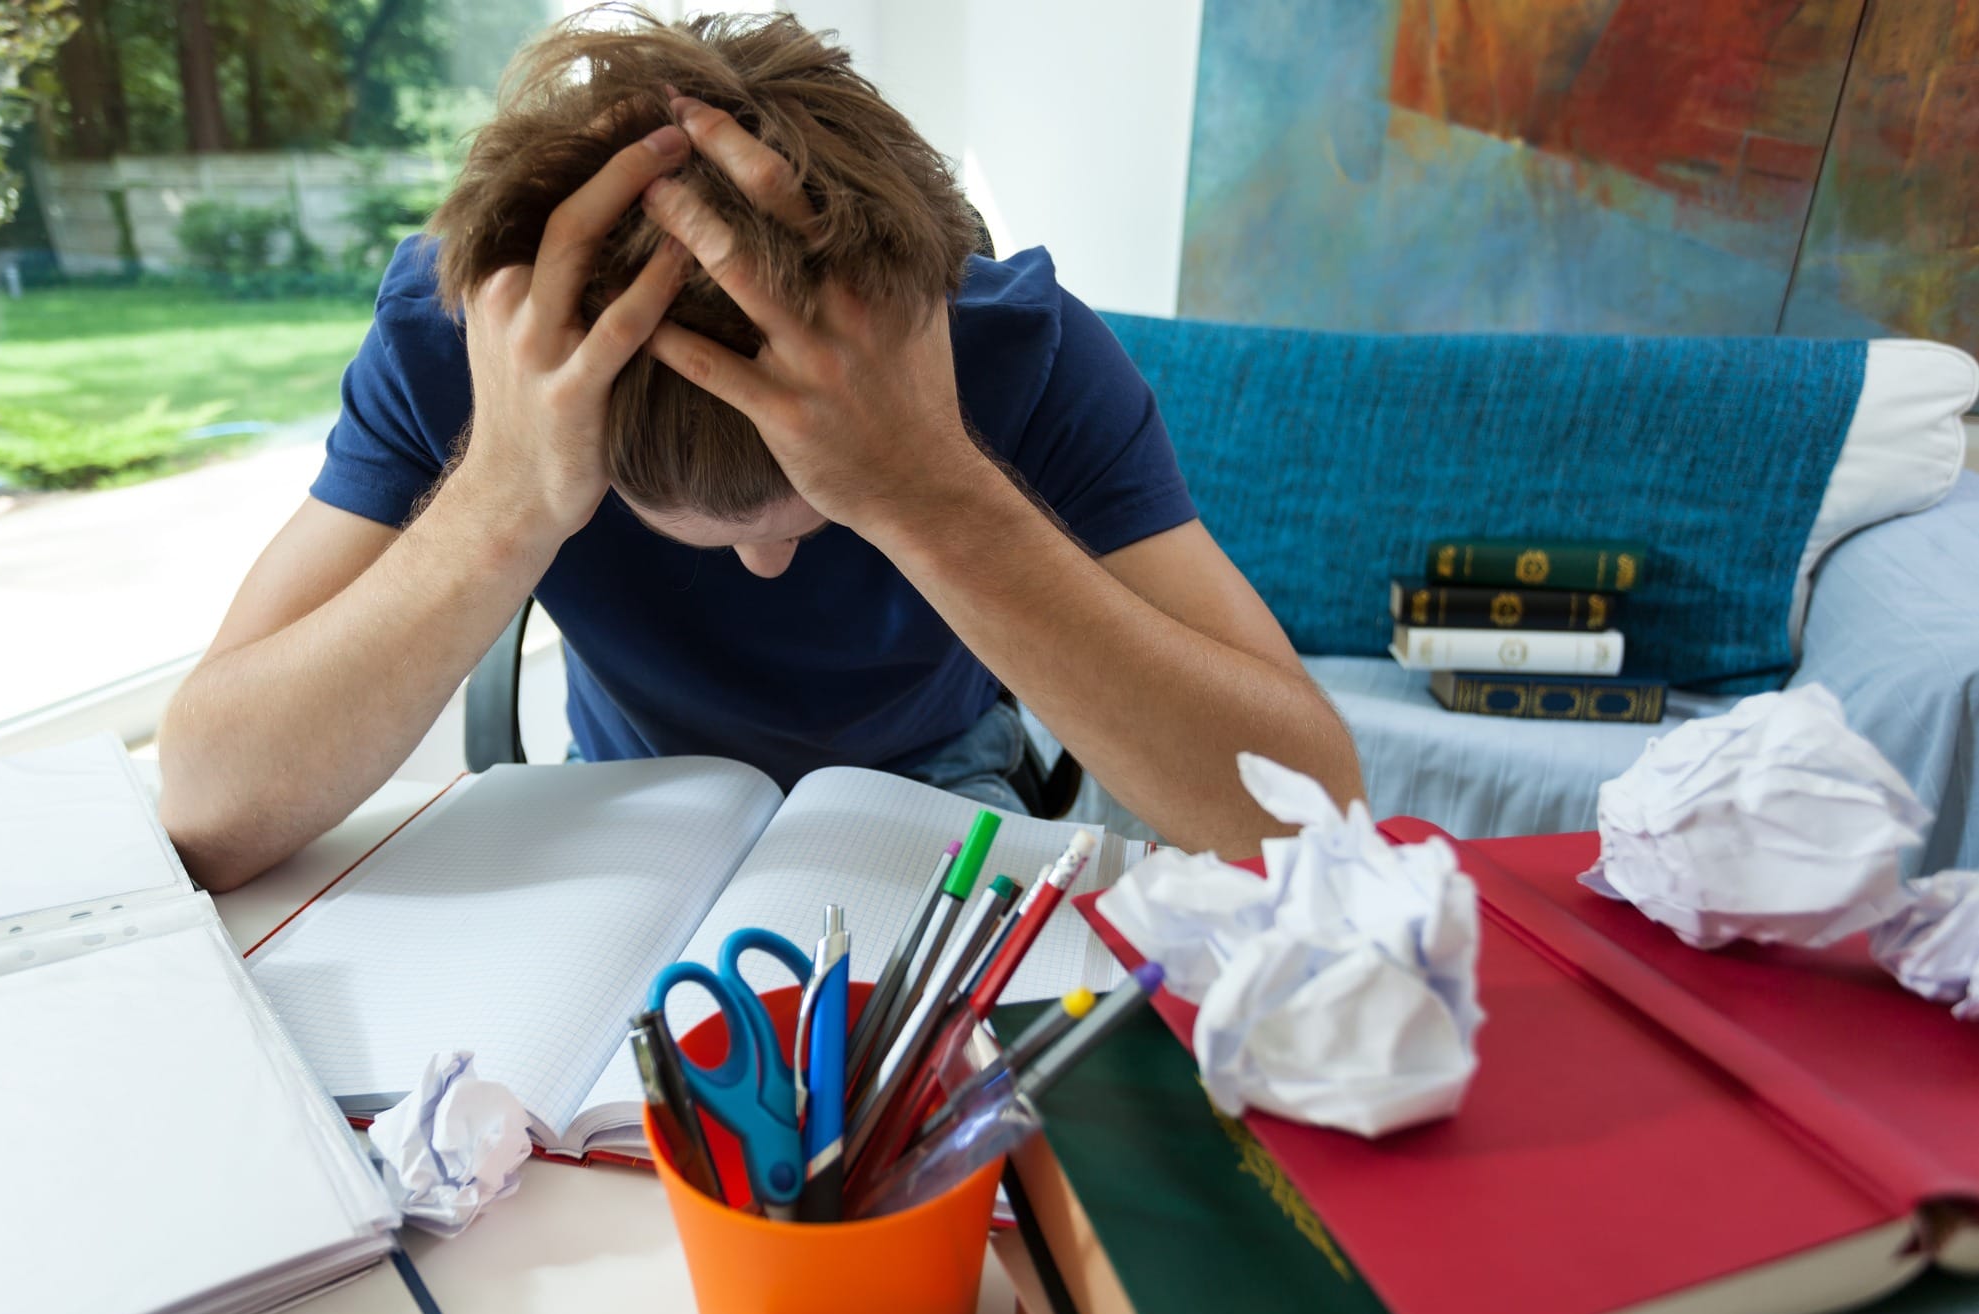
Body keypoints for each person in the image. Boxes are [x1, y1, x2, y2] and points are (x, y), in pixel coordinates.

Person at [157, 8, 1362, 892]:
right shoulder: (472, 343)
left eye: (809, 516)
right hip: (623, 791)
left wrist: (931, 494)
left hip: (932, 774)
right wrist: (503, 498)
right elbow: (206, 807)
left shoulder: (1019, 350)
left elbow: (1315, 820)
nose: (768, 577)